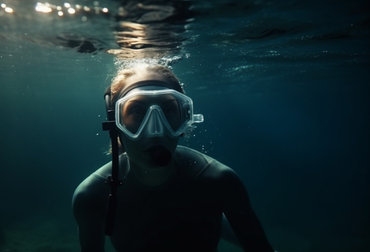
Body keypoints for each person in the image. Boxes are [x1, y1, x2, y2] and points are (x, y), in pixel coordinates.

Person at [72, 63, 275, 252]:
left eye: (168, 110)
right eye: (136, 110)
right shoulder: (91, 197)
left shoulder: (221, 182)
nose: (155, 131)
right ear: (115, 124)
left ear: (184, 119)